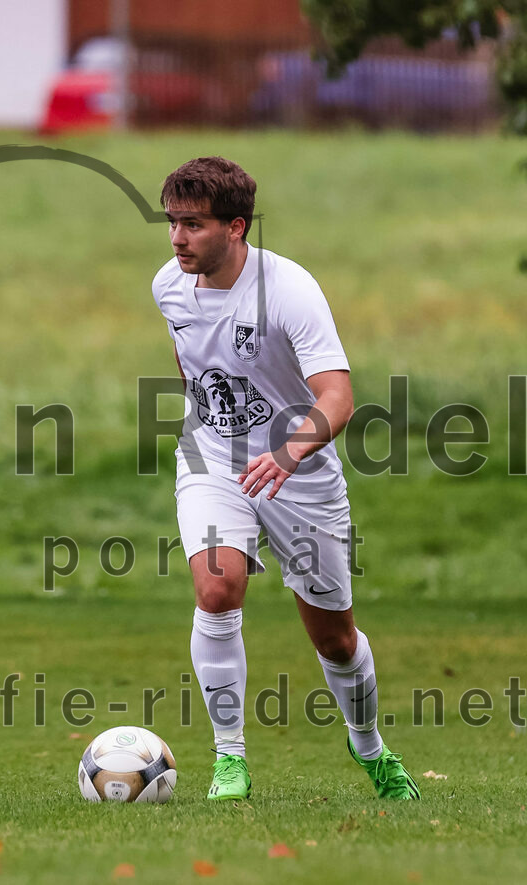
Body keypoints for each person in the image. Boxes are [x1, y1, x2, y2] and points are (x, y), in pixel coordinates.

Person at [151, 156, 419, 801]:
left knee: (334, 638)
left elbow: (336, 398)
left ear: (236, 227)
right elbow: (194, 368)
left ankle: (370, 747)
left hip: (300, 475)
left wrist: (289, 453)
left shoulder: (290, 290)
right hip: (213, 459)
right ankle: (230, 761)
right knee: (217, 590)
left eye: (193, 224)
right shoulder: (168, 285)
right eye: (172, 223)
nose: (178, 239)